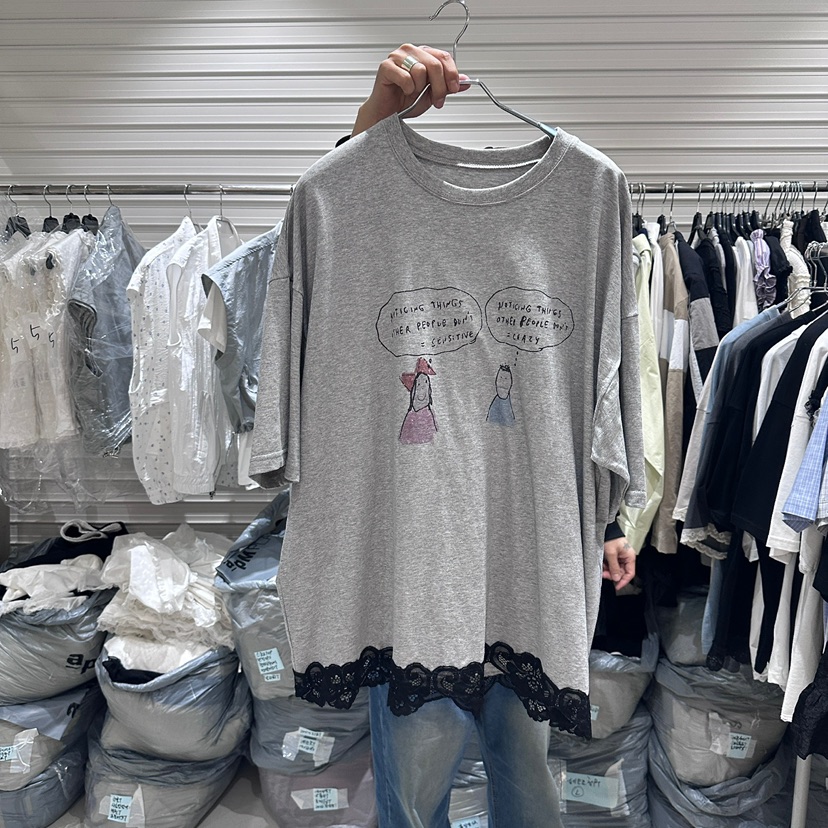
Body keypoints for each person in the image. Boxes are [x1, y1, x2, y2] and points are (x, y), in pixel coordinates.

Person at [332, 43, 637, 827]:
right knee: (416, 781)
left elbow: (607, 387)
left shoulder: (591, 195)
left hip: (529, 561)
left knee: (526, 776)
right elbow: (322, 293)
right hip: (415, 570)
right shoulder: (352, 198)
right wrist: (366, 133)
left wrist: (606, 518)